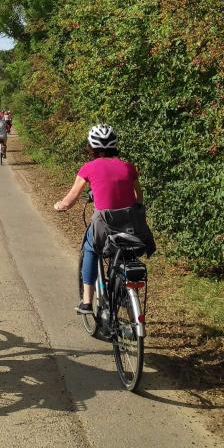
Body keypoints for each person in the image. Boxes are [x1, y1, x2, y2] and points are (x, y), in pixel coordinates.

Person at [53, 125, 143, 314]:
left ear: (91, 146)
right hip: (131, 223)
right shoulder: (128, 167)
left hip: (104, 223)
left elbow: (71, 199)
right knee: (127, 249)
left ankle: (86, 301)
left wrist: (60, 205)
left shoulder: (88, 167)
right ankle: (126, 291)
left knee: (91, 248)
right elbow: (138, 197)